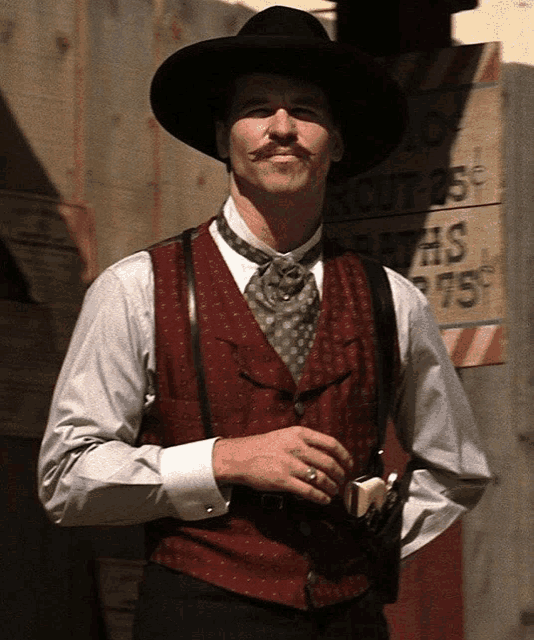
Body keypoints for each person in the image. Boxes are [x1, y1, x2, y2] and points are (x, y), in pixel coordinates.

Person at [38, 6, 491, 640]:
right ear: (224, 137)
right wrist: (224, 460)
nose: (282, 128)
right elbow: (67, 477)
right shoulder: (137, 288)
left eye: (306, 111)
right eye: (258, 109)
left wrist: (367, 542)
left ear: (337, 141)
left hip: (350, 622)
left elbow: (457, 468)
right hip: (196, 618)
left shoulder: (395, 301)